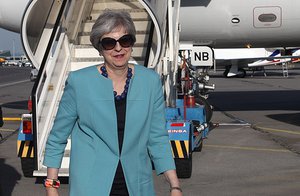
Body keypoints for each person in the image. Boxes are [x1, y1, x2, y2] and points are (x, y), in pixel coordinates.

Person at [43, 10, 182, 196]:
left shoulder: (150, 82)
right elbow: (57, 137)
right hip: (90, 184)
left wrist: (174, 185)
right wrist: (51, 187)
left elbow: (157, 138)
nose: (118, 48)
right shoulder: (79, 82)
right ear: (99, 48)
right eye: (109, 43)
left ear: (132, 43)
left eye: (125, 40)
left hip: (137, 185)